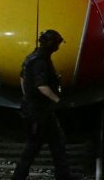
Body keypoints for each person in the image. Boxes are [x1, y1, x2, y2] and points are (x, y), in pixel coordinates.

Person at [12, 29, 79, 180]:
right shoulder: (40, 62)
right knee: (32, 148)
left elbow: (22, 77)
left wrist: (26, 95)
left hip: (39, 110)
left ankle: (63, 175)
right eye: (57, 43)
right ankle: (18, 177)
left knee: (57, 143)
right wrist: (58, 100)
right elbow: (41, 86)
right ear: (51, 44)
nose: (58, 47)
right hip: (38, 112)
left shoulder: (33, 56)